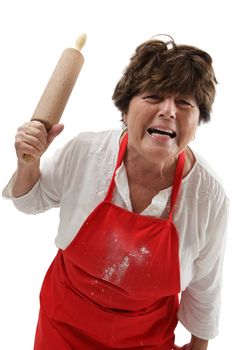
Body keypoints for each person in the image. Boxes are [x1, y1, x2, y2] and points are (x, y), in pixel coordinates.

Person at [2, 35, 229, 350]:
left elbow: (205, 286)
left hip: (145, 339)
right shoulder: (86, 151)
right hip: (64, 325)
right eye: (154, 97)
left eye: (184, 102)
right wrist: (29, 161)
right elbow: (29, 201)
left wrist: (199, 346)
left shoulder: (208, 196)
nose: (169, 111)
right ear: (125, 109)